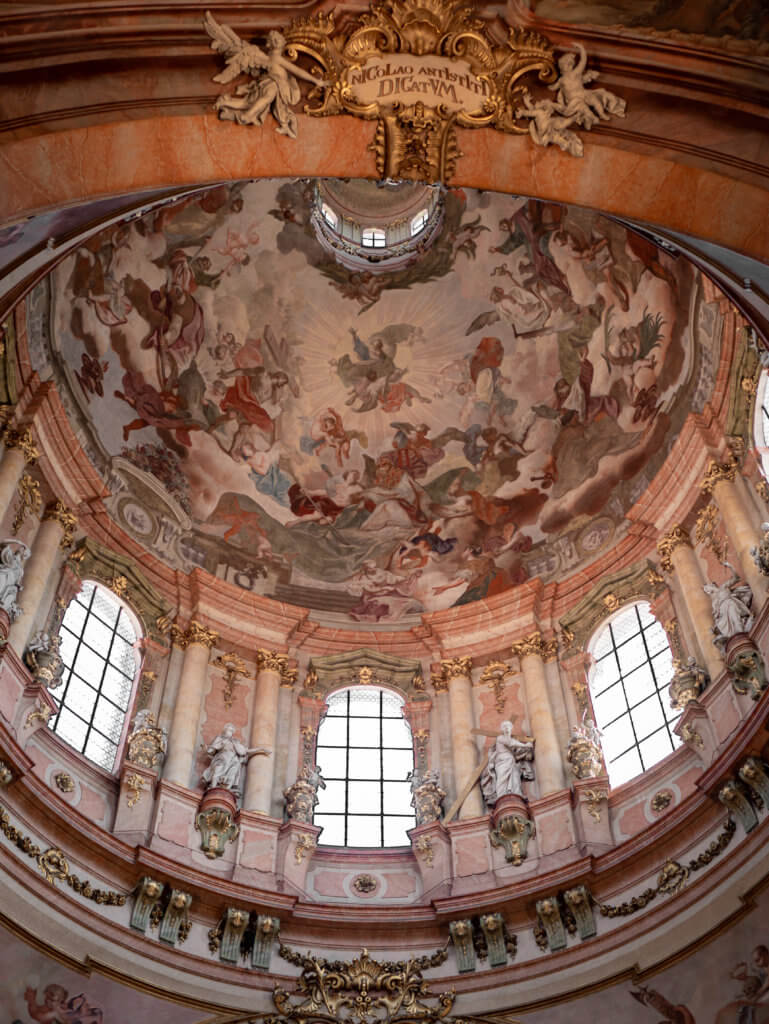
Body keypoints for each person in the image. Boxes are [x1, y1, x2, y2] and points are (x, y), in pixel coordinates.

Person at [201, 723, 270, 797]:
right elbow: (211, 750)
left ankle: (226, 792)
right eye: (228, 730)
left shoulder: (235, 742)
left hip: (233, 761)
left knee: (231, 776)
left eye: (231, 731)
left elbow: (245, 751)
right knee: (216, 773)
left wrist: (260, 749)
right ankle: (212, 790)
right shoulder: (219, 739)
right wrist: (206, 749)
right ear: (225, 731)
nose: (230, 732)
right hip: (221, 758)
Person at [480, 720, 535, 805]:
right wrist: (525, 745)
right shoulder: (500, 738)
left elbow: (515, 747)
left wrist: (525, 748)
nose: (506, 728)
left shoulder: (510, 739)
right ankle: (501, 795)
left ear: (511, 728)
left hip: (511, 761)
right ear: (502, 729)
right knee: (502, 778)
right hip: (501, 762)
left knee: (515, 777)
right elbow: (511, 743)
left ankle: (517, 793)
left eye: (508, 726)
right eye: (504, 726)